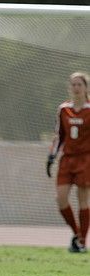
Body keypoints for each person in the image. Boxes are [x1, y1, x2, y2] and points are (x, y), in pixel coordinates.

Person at [47, 72, 90, 253]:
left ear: (86, 88)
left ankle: (81, 242)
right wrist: (51, 156)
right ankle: (77, 233)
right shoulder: (63, 109)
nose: (76, 87)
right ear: (69, 87)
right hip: (67, 160)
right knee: (61, 198)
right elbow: (59, 136)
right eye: (73, 84)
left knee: (83, 201)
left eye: (79, 84)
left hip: (85, 159)